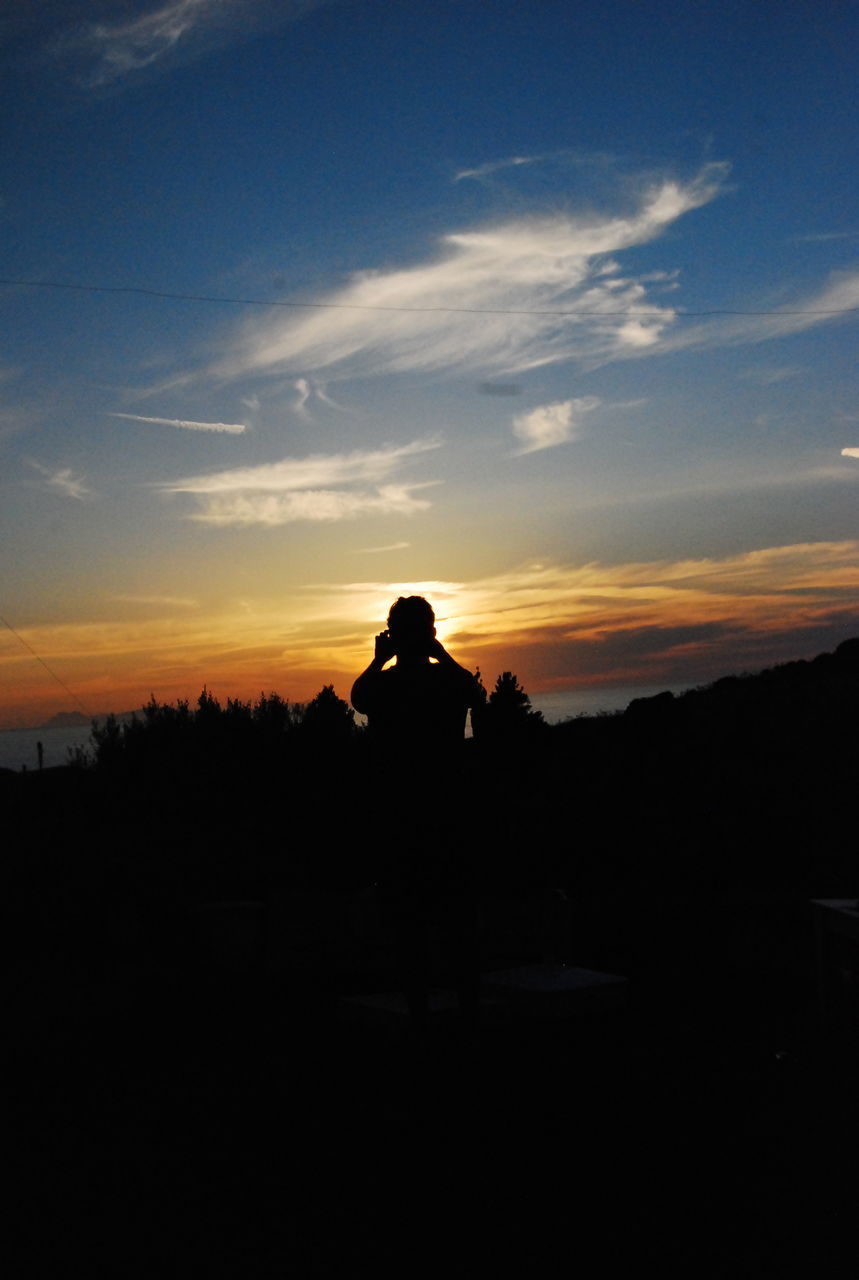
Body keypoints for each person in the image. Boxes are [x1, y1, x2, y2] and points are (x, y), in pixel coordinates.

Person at [351, 596, 483, 1039]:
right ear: (430, 630)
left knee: (411, 927)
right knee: (456, 923)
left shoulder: (384, 684)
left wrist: (377, 660)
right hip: (448, 815)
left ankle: (420, 1022)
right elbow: (475, 692)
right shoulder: (448, 680)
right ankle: (466, 1017)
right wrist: (440, 651)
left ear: (392, 633)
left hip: (400, 819)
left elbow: (358, 697)